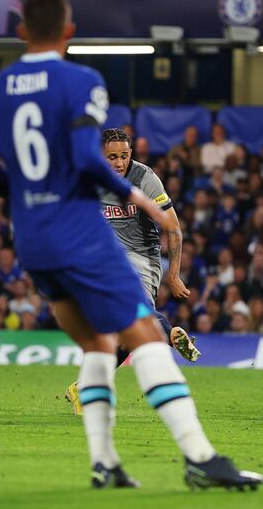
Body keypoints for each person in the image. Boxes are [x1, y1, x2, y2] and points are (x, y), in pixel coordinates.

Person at [0, 0, 262, 490]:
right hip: (79, 232)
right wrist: (133, 195)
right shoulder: (82, 80)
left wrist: (26, 190)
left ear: (20, 33)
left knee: (99, 345)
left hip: (33, 241)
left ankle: (104, 463)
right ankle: (201, 458)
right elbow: (83, 155)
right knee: (146, 337)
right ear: (69, 33)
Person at [65, 127, 201, 415]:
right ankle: (171, 332)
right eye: (112, 157)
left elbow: (173, 227)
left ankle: (83, 387)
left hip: (144, 257)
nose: (118, 163)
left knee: (130, 335)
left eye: (124, 156)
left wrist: (173, 274)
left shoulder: (145, 178)